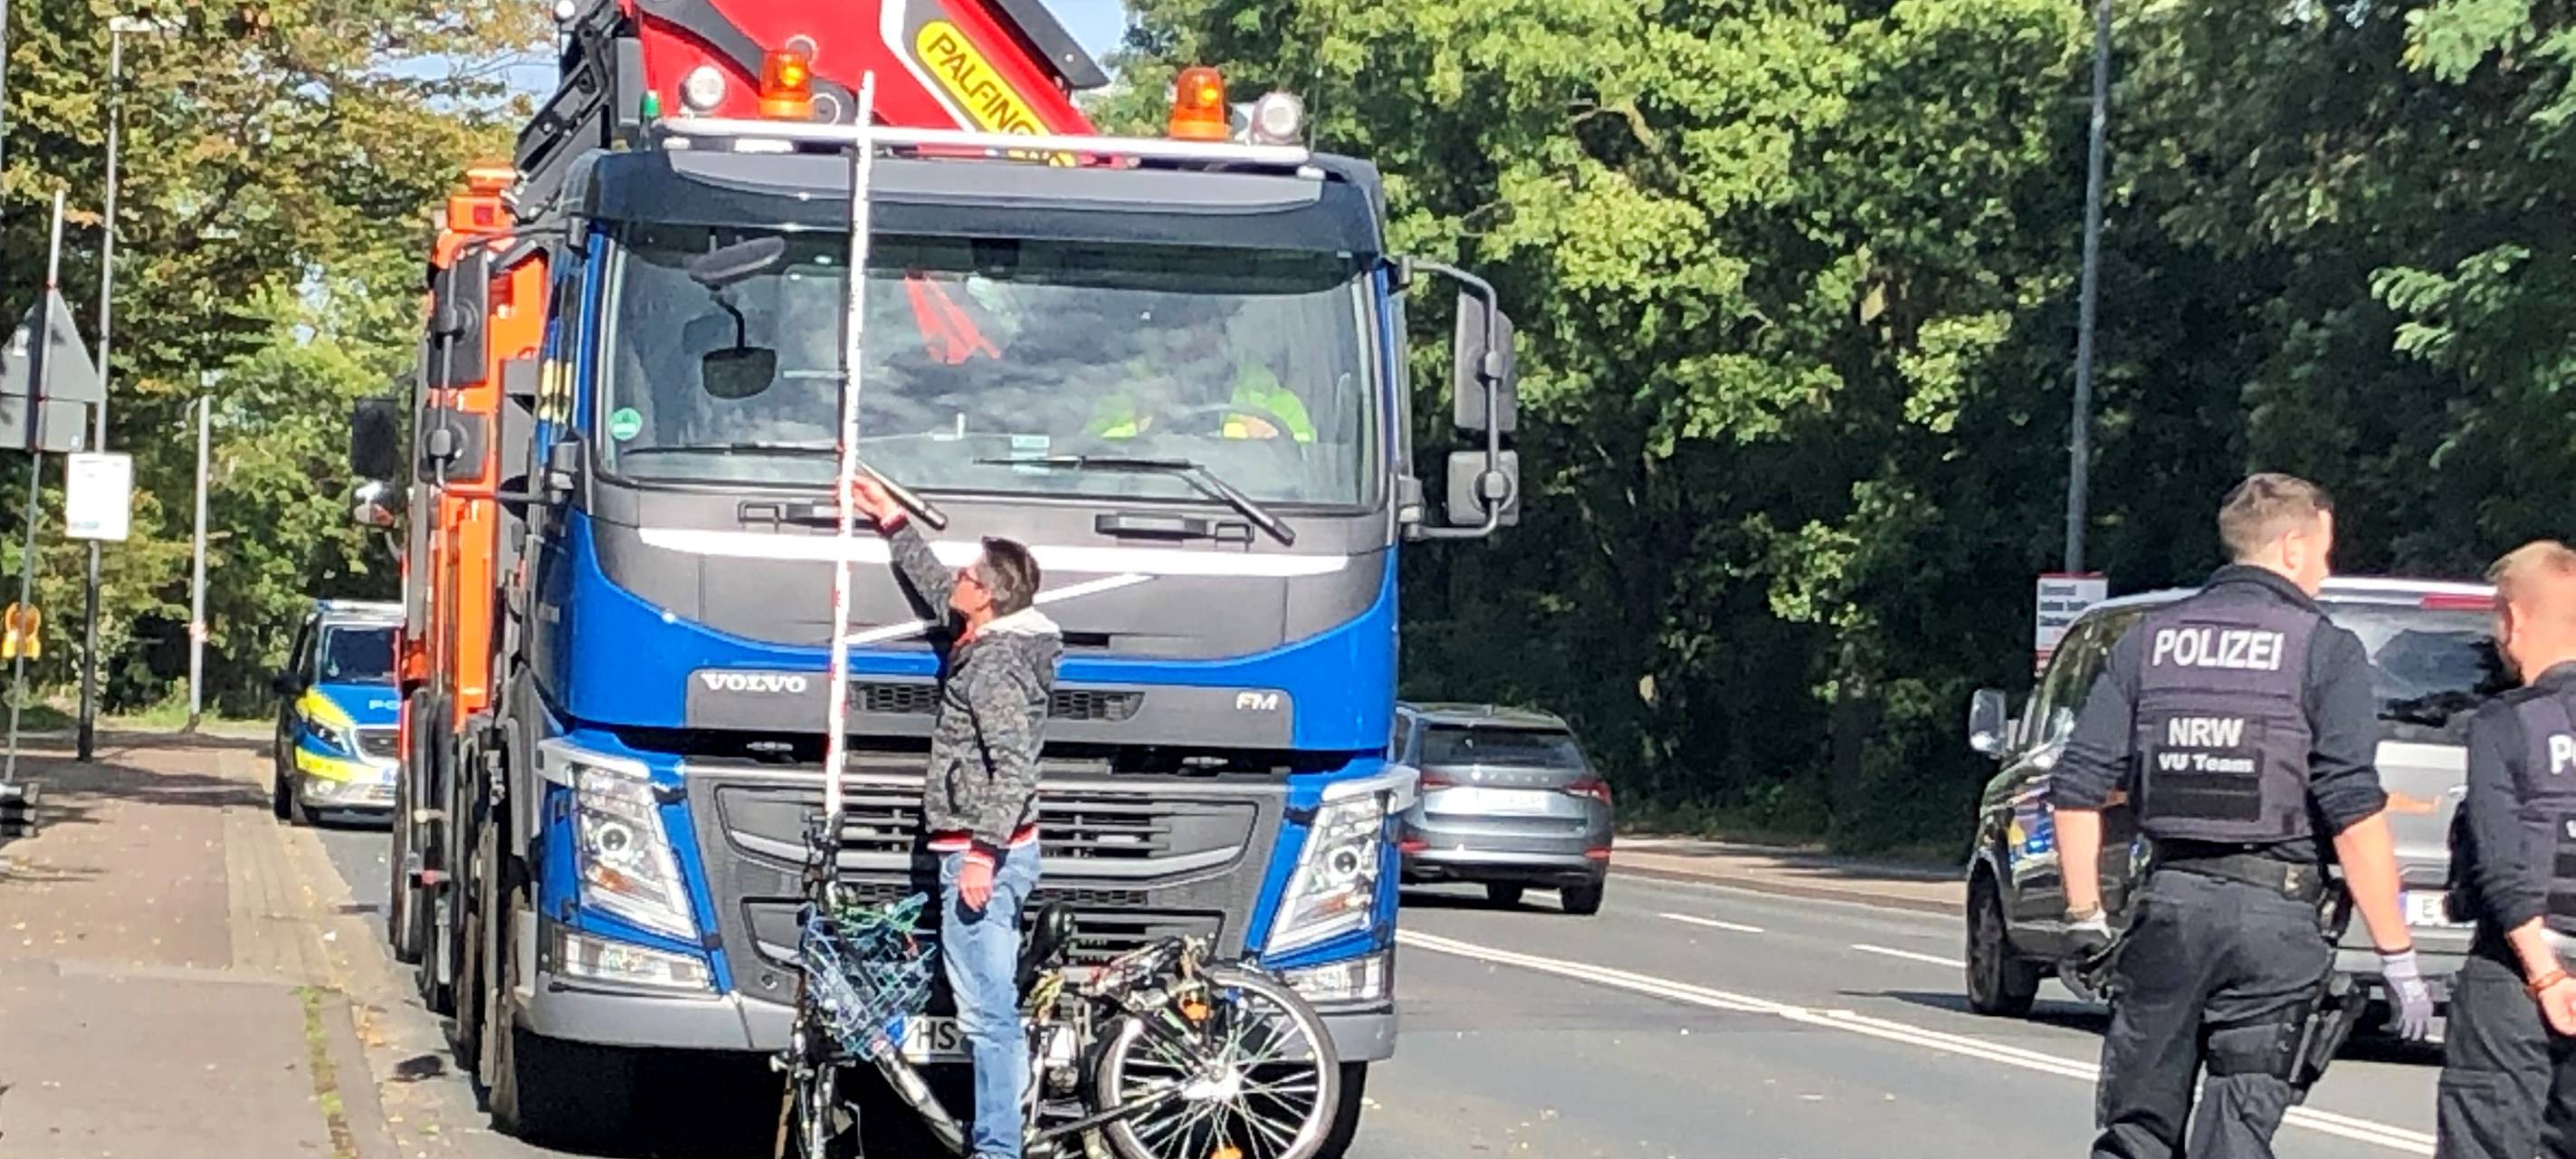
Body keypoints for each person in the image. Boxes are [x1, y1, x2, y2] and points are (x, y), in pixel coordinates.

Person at [2050, 472, 2434, 1159]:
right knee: (2236, 1132)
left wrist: (2084, 916)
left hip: (2167, 911)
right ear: (2290, 548)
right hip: (2275, 923)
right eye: (2322, 551)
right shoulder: (2324, 650)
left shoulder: (2149, 642)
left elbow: (2077, 787)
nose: (2325, 569)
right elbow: (2351, 810)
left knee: (2137, 1130)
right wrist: (2397, 954)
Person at [848, 475, 1060, 1159]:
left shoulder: (994, 667)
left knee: (987, 1013)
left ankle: (999, 1147)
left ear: (990, 597)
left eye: (969, 575)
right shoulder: (987, 634)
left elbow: (1014, 769)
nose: (957, 581)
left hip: (981, 856)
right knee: (986, 1004)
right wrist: (893, 523)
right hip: (976, 847)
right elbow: (936, 589)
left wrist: (981, 853)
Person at [2435, 541, 2576, 1158]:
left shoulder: (2507, 722)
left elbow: (2500, 861)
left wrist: (2546, 975)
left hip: (2515, 982)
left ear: (2514, 620)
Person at [1083, 306, 1314, 443]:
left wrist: (1275, 446)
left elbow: (1312, 468)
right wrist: (1141, 426)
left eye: (1204, 325)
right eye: (1182, 327)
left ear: (1222, 334)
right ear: (1164, 337)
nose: (1194, 339)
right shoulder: (1128, 395)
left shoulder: (1271, 400)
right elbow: (1088, 460)